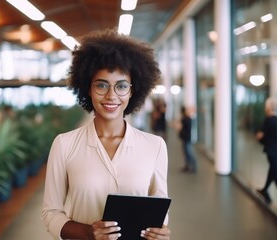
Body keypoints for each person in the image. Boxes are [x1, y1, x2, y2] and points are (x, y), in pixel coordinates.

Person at [42, 29, 170, 240]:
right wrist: (88, 232)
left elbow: (160, 211)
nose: (111, 96)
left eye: (121, 86)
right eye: (102, 85)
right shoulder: (64, 145)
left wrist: (160, 232)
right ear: (88, 89)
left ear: (132, 91)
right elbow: (50, 213)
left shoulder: (154, 146)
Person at [256, 97, 277, 208]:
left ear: (268, 107)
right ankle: (264, 190)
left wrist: (260, 138)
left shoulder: (267, 121)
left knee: (275, 175)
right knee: (273, 171)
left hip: (271, 151)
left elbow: (260, 136)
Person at [178, 106, 197, 173]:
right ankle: (187, 166)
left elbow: (181, 127)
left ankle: (193, 166)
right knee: (186, 153)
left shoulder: (188, 119)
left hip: (187, 139)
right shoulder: (185, 118)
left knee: (189, 153)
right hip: (184, 138)